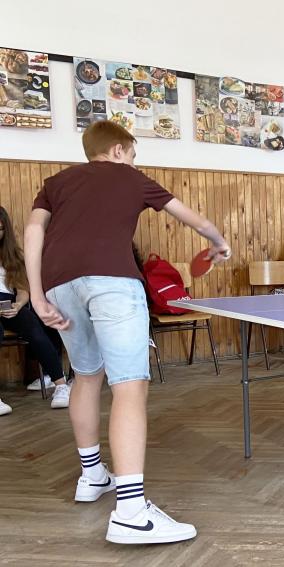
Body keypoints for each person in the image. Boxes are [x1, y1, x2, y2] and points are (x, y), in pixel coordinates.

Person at [24, 120, 231, 544]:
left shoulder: (56, 182)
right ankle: (132, 513)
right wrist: (218, 242)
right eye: (133, 154)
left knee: (86, 376)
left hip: (60, 285)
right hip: (113, 284)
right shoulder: (132, 178)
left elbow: (32, 230)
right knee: (129, 386)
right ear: (118, 150)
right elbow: (191, 217)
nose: (134, 162)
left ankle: (92, 477)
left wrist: (38, 295)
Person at [0, 206, 69, 409]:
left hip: (9, 304)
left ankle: (61, 385)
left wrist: (18, 304)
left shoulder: (11, 256)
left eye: (1, 229)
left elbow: (22, 289)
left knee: (33, 325)